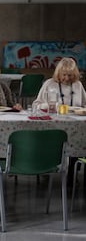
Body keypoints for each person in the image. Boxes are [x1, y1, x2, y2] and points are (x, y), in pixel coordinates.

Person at [32, 57, 86, 186]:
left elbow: (84, 104)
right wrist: (47, 106)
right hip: (53, 124)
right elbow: (36, 104)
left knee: (79, 139)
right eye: (64, 75)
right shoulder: (49, 84)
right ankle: (46, 169)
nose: (67, 78)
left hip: (75, 126)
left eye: (70, 75)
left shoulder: (78, 85)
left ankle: (72, 174)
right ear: (58, 73)